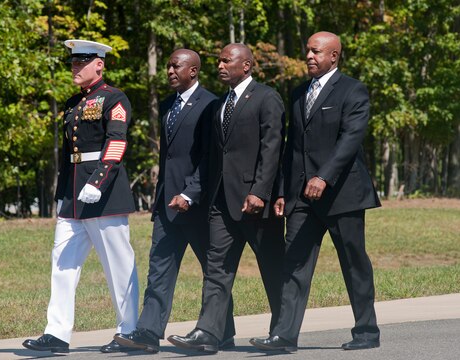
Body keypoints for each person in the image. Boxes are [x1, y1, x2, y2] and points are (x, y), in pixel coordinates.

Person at [250, 31, 381, 352]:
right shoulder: (297, 94)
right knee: (293, 263)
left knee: (354, 263)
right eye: (307, 51)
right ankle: (284, 336)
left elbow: (350, 140)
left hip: (343, 195)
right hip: (302, 199)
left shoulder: (353, 90)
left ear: (333, 56)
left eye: (316, 52)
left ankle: (366, 331)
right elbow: (291, 148)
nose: (309, 56)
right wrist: (282, 189)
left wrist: (323, 176)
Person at [113, 49, 236, 353]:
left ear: (193, 71)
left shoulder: (210, 104)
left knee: (213, 272)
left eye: (175, 66)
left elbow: (210, 158)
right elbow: (169, 157)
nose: (169, 70)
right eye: (167, 65)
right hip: (166, 206)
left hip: (199, 205)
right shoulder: (168, 105)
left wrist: (190, 193)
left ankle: (222, 332)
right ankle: (148, 333)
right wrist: (163, 196)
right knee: (159, 271)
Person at [167, 43, 286, 354]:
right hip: (221, 203)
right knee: (216, 268)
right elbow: (214, 156)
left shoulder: (266, 97)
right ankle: (208, 332)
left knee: (272, 267)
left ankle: (282, 333)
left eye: (226, 60)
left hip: (255, 202)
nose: (219, 66)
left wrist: (260, 191)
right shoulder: (219, 105)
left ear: (246, 66)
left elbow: (272, 149)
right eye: (218, 61)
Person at [22, 39, 139, 354]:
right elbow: (67, 154)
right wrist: (62, 195)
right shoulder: (74, 102)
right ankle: (57, 334)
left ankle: (129, 331)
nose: (74, 67)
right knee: (61, 265)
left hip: (103, 193)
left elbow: (116, 142)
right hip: (73, 195)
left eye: (81, 62)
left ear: (99, 64)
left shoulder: (115, 98)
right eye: (73, 62)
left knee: (118, 265)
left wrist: (98, 181)